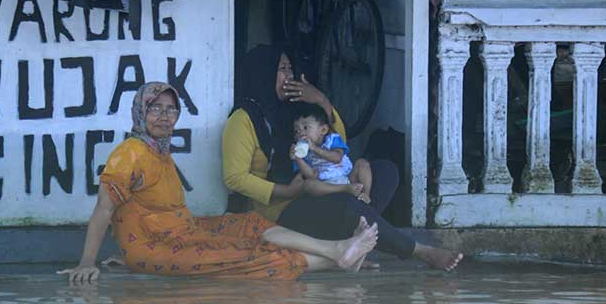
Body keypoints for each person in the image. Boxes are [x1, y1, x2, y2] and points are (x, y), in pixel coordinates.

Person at [62, 81, 380, 284]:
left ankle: (338, 250)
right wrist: (88, 263)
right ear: (140, 112)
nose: (164, 116)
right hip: (159, 245)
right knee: (240, 257)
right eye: (155, 108)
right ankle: (338, 257)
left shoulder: (156, 150)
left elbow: (138, 210)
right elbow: (104, 210)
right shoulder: (129, 153)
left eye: (171, 110)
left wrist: (129, 250)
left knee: (249, 225)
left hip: (181, 232)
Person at [222, 44, 462, 271]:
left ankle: (355, 246)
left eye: (290, 68)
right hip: (282, 208)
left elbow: (339, 146)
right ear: (262, 74)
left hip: (320, 187)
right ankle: (419, 250)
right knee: (349, 205)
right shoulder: (243, 119)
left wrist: (322, 102)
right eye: (282, 69)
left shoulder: (295, 110)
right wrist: (286, 191)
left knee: (386, 172)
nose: (289, 75)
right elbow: (235, 178)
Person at [290, 102, 373, 203]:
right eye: (296, 131)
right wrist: (298, 158)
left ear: (323, 130)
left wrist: (315, 149)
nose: (301, 133)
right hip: (326, 187)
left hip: (347, 178)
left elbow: (337, 158)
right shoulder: (303, 153)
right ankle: (345, 189)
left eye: (305, 128)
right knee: (308, 184)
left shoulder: (332, 139)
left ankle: (365, 194)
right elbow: (312, 175)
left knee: (362, 163)